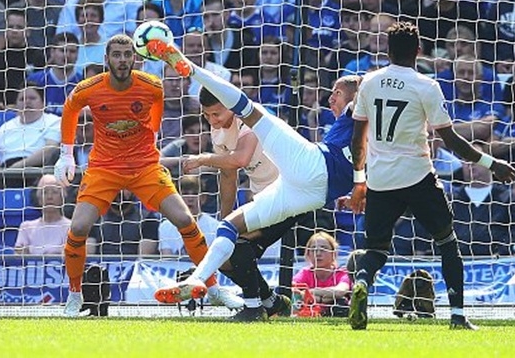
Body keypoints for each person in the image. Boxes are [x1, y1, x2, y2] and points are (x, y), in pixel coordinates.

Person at [146, 38, 358, 316]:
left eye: (337, 93)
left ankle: (191, 69)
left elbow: (239, 159)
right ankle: (232, 293)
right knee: (229, 231)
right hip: (310, 192)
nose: (330, 97)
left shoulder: (359, 112)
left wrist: (200, 159)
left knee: (250, 109)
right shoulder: (360, 132)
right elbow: (230, 173)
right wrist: (356, 190)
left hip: (309, 166)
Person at [53, 34, 244, 317]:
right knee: (78, 228)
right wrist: (66, 154)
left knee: (184, 220)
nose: (122, 60)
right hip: (104, 168)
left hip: (144, 166)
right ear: (107, 59)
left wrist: (153, 135)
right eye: (116, 55)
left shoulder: (151, 85)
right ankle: (75, 294)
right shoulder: (89, 88)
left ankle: (213, 288)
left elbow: (157, 104)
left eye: (127, 54)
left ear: (135, 58)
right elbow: (69, 110)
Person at [344, 21, 515, 331]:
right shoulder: (426, 85)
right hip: (417, 176)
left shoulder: (369, 82)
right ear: (419, 51)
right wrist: (493, 164)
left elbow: (358, 138)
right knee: (447, 242)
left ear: (387, 50)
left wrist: (360, 180)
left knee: (376, 250)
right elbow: (451, 141)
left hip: (380, 179)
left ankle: (362, 281)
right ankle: (457, 316)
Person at [292, 232, 351, 317]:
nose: (318, 253)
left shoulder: (341, 273)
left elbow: (340, 291)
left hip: (334, 314)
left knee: (341, 302)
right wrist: (325, 298)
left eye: (323, 249)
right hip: (308, 314)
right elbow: (292, 290)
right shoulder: (305, 273)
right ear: (308, 254)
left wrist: (311, 293)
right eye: (314, 249)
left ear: (333, 253)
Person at [14, 174, 72, 255]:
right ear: (39, 199)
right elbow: (18, 256)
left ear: (62, 198)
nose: (49, 197)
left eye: (54, 192)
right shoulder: (26, 227)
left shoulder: (71, 227)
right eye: (45, 192)